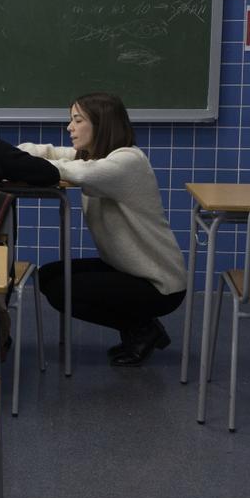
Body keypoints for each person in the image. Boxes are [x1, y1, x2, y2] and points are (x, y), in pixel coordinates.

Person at [19, 92, 186, 366]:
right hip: (126, 269)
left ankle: (142, 329)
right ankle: (141, 328)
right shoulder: (97, 156)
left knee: (63, 290)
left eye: (77, 120)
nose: (69, 127)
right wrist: (10, 154)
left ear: (102, 123)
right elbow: (53, 153)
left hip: (159, 283)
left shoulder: (127, 161)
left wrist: (23, 164)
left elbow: (79, 173)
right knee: (48, 276)